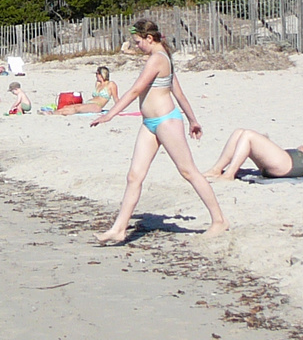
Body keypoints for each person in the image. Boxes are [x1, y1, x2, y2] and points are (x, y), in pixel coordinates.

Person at [91, 18, 229, 243]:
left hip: (167, 121)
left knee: (188, 172)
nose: (136, 46)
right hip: (149, 124)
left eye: (138, 42)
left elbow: (136, 90)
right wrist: (193, 120)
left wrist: (110, 114)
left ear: (149, 38)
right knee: (134, 176)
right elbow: (178, 92)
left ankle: (219, 220)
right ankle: (119, 228)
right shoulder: (162, 57)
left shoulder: (157, 59)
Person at [203, 130, 303, 181]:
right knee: (239, 133)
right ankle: (217, 169)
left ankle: (229, 174)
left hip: (289, 164)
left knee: (248, 136)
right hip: (286, 160)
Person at [54, 66, 118, 115]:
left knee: (76, 109)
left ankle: (56, 114)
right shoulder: (98, 83)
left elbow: (116, 98)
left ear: (102, 74)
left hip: (97, 106)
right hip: (89, 103)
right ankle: (55, 112)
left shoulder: (111, 84)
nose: (96, 75)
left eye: (97, 73)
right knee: (73, 106)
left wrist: (119, 109)